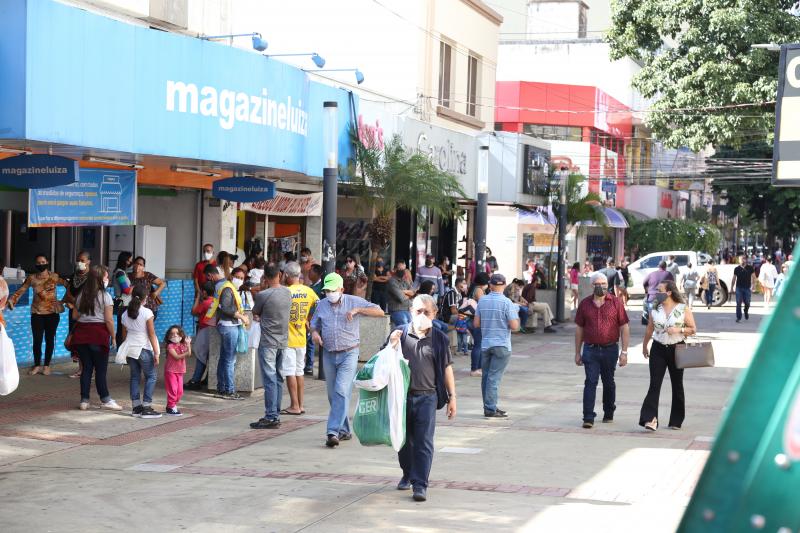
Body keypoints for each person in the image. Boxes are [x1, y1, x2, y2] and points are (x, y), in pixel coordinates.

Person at [387, 294, 457, 502]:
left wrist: (452, 396)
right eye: (418, 311)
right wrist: (391, 345)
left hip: (428, 397)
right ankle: (407, 473)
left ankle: (420, 484)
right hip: (402, 396)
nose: (422, 316)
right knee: (403, 441)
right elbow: (382, 363)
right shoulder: (398, 335)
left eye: (427, 312)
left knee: (424, 442)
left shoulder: (439, 338)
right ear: (411, 312)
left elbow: (446, 368)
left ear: (434, 313)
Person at [309, 273, 384, 448]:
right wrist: (314, 334)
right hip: (328, 353)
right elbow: (314, 324)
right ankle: (344, 430)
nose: (329, 293)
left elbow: (379, 311)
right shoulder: (322, 306)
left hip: (349, 353)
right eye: (327, 290)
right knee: (332, 394)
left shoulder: (353, 301)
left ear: (341, 289)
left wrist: (358, 310)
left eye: (332, 290)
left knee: (341, 391)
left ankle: (332, 431)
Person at [574, 273, 630, 428]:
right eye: (598, 284)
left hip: (610, 349)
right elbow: (579, 329)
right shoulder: (585, 304)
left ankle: (609, 411)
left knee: (608, 382)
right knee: (590, 382)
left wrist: (624, 352)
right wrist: (577, 352)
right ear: (592, 286)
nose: (602, 286)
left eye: (604, 283)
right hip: (590, 350)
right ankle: (588, 417)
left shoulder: (616, 303)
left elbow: (624, 327)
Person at [640, 279, 697, 431]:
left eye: (660, 290)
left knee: (677, 384)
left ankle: (676, 420)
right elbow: (649, 329)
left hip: (677, 348)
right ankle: (650, 419)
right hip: (658, 348)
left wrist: (679, 330)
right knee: (654, 384)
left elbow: (693, 329)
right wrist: (645, 346)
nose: (657, 293)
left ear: (669, 293)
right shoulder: (654, 308)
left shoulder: (682, 308)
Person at [71, 265, 121, 411]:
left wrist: (87, 314)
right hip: (98, 335)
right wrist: (113, 336)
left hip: (81, 335)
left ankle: (84, 400)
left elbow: (74, 316)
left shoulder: (82, 295)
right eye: (106, 277)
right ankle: (105, 399)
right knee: (100, 369)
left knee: (86, 368)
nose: (108, 279)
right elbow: (109, 320)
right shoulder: (105, 296)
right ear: (100, 279)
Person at [7, 253, 66, 376]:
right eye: (38, 263)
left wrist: (64, 301)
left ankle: (47, 366)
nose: (41, 264)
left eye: (43, 262)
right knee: (37, 340)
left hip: (52, 313)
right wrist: (12, 300)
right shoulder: (31, 278)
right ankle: (37, 365)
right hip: (37, 314)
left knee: (50, 340)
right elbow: (21, 290)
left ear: (47, 262)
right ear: (35, 264)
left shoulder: (54, 276)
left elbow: (69, 286)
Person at [249, 265, 292, 429]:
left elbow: (255, 312)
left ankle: (271, 416)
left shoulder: (263, 294)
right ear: (280, 275)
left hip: (268, 342)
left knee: (270, 379)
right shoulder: (287, 292)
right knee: (278, 378)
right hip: (283, 341)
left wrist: (262, 285)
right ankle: (276, 412)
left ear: (265, 277)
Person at [473, 274, 518, 418]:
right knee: (494, 378)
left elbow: (476, 324)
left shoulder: (482, 301)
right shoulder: (507, 303)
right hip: (502, 344)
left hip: (486, 344)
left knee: (486, 377)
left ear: (490, 285)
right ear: (504, 286)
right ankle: (491, 408)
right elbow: (514, 326)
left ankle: (488, 406)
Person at [118, 285, 162, 419]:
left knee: (135, 377)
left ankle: (136, 407)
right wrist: (157, 352)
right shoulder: (147, 313)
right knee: (151, 377)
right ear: (146, 298)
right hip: (143, 348)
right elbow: (152, 334)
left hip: (130, 348)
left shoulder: (125, 314)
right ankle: (147, 407)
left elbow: (124, 335)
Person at [206, 264, 248, 400]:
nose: (239, 280)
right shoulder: (227, 288)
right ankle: (229, 390)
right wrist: (242, 317)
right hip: (229, 326)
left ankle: (222, 388)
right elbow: (226, 308)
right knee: (229, 360)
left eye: (242, 278)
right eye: (237, 277)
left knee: (225, 358)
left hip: (226, 326)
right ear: (231, 276)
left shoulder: (228, 288)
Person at [283, 262, 318, 416]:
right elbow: (319, 304)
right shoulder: (308, 291)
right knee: (299, 372)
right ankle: (301, 405)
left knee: (290, 372)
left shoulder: (285, 292)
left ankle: (294, 405)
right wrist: (309, 319)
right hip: (302, 337)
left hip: (288, 338)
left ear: (286, 275)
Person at [64, 251, 92, 378]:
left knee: (88, 342)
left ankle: (91, 370)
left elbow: (92, 298)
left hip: (87, 314)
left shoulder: (93, 277)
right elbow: (68, 293)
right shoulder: (73, 275)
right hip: (74, 313)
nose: (80, 263)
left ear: (89, 261)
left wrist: (74, 302)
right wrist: (64, 302)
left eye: (82, 260)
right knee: (77, 342)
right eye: (78, 260)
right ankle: (81, 369)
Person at [186, 281, 215, 390]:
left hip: (204, 330)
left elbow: (193, 311)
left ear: (204, 292)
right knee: (209, 356)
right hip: (212, 331)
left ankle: (195, 380)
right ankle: (207, 379)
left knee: (200, 355)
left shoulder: (206, 302)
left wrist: (198, 298)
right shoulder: (214, 302)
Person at [466, 272, 489, 377]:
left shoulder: (475, 288)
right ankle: (475, 368)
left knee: (479, 344)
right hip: (476, 320)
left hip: (473, 320)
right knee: (478, 345)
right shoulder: (479, 290)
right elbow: (483, 304)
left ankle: (478, 368)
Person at [164, 325, 191, 416]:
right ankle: (171, 407)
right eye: (172, 334)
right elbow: (176, 357)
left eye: (177, 333)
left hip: (180, 371)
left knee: (180, 391)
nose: (175, 336)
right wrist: (187, 352)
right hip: (170, 371)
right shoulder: (170, 346)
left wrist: (188, 344)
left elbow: (189, 353)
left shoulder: (183, 345)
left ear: (181, 335)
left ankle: (170, 406)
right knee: (173, 390)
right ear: (168, 336)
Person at [304, 264, 325, 375]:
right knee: (310, 342)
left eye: (311, 271)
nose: (309, 273)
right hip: (309, 317)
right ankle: (309, 365)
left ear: (317, 273)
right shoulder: (311, 287)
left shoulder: (321, 287)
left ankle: (309, 365)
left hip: (314, 318)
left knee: (309, 341)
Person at [111, 251, 133, 347]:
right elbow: (126, 290)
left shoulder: (121, 272)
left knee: (122, 328)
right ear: (125, 261)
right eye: (129, 260)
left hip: (124, 303)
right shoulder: (120, 273)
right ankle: (120, 351)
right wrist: (135, 287)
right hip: (123, 304)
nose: (130, 262)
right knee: (122, 329)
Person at [388, 260, 415, 328]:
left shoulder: (405, 281)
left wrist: (404, 291)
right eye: (400, 269)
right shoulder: (392, 281)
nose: (402, 271)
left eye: (403, 269)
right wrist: (409, 294)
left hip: (407, 310)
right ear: (395, 269)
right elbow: (401, 298)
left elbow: (413, 293)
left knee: (414, 327)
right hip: (397, 310)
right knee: (406, 328)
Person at [731, 255, 756, 323]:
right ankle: (738, 317)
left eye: (742, 259)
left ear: (745, 260)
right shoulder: (737, 268)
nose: (741, 261)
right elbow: (734, 278)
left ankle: (745, 310)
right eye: (740, 260)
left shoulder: (750, 268)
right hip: (739, 288)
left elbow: (754, 277)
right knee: (738, 303)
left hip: (747, 288)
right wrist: (732, 287)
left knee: (747, 303)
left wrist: (754, 285)